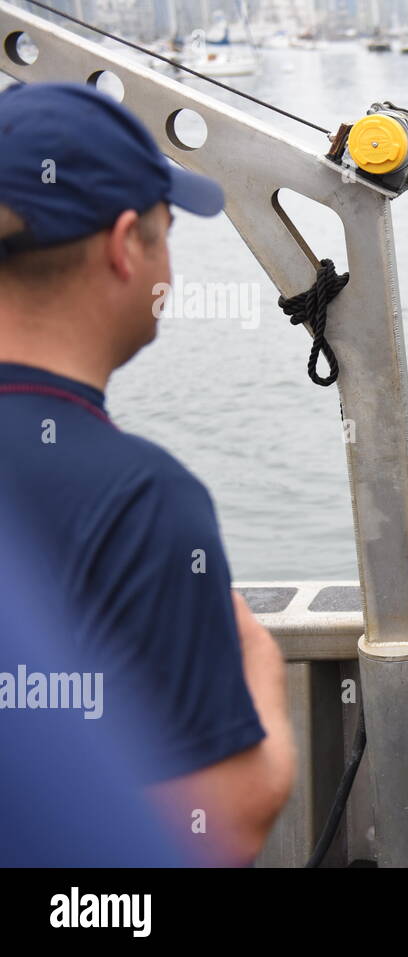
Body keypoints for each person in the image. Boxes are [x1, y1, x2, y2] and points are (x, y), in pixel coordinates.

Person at [0, 83, 295, 865]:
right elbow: (225, 821)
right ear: (125, 244)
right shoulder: (138, 500)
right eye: (167, 233)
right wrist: (259, 663)